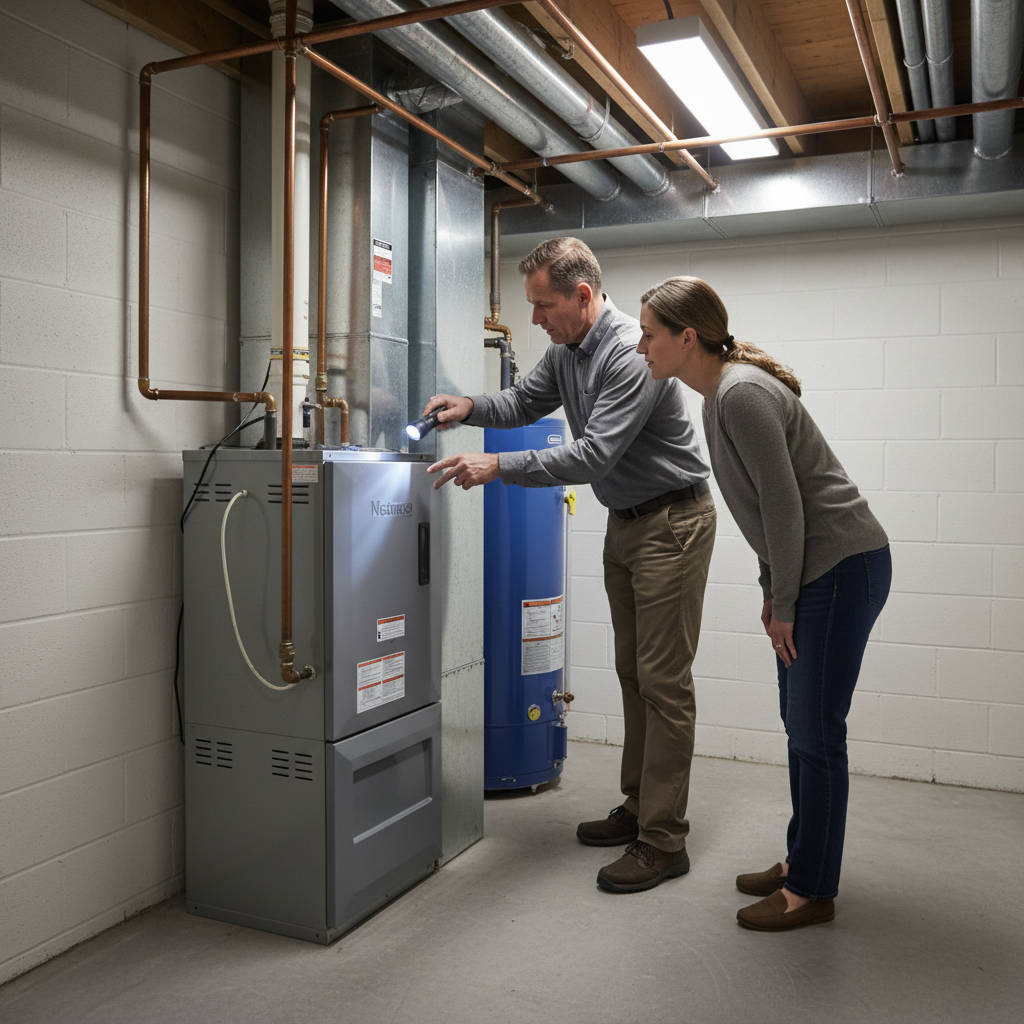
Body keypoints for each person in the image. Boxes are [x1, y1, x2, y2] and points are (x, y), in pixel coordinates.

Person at [423, 238, 717, 893]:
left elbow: (590, 456)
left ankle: (664, 841)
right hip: (631, 520)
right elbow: (524, 404)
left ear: (583, 297)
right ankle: (641, 809)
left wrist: (498, 466)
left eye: (543, 305)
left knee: (664, 682)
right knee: (634, 673)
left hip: (673, 522)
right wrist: (470, 406)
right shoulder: (566, 350)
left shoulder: (627, 355)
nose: (534, 319)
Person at [636, 275, 891, 930]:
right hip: (814, 573)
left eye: (649, 334)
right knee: (798, 725)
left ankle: (811, 889)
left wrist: (783, 598)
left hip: (837, 566)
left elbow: (783, 505)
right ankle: (801, 858)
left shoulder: (742, 394)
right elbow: (763, 509)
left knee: (815, 732)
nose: (641, 347)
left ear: (685, 337)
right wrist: (771, 592)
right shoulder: (720, 396)